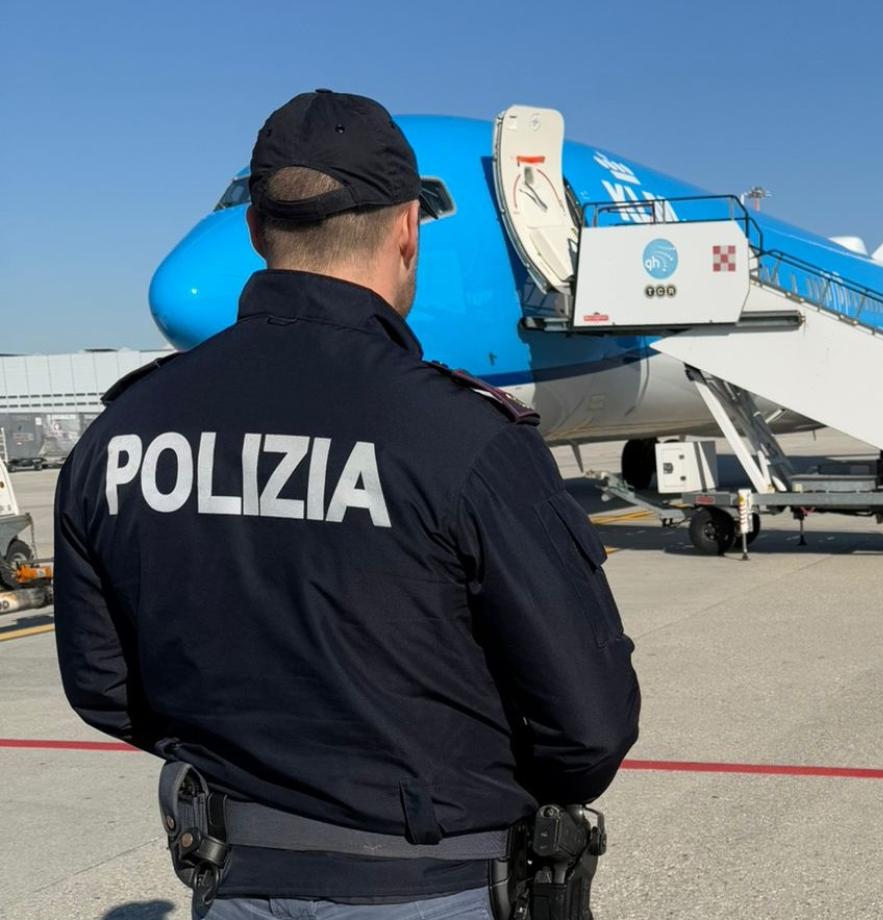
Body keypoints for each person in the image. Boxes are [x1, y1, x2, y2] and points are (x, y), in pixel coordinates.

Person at [52, 90, 642, 919]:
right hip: (432, 879)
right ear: (408, 229)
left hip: (237, 875)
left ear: (256, 231)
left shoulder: (123, 430)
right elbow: (587, 727)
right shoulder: (464, 435)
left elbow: (103, 686)